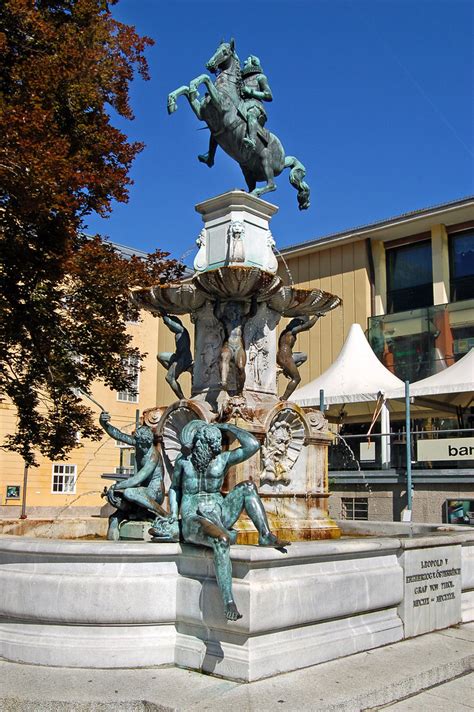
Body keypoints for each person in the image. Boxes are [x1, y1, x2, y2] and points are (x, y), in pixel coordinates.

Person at [151, 420, 289, 621]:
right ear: (199, 442)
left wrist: (228, 428)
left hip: (219, 511)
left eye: (214, 444)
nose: (212, 449)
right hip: (194, 517)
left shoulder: (222, 460)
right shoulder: (184, 462)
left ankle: (265, 535)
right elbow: (175, 488)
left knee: (248, 487)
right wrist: (173, 514)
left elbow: (253, 445)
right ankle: (228, 600)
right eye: (208, 444)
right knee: (222, 540)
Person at [99, 412, 170, 541]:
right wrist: (104, 423)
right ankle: (118, 529)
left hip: (154, 493)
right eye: (139, 444)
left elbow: (138, 479)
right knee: (116, 501)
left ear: (149, 442)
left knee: (129, 493)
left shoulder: (153, 456)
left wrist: (116, 486)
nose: (141, 447)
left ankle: (164, 515)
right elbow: (118, 435)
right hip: (140, 490)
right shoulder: (139, 443)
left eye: (144, 445)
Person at [214, 296, 258, 394]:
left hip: (239, 348)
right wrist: (217, 299)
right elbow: (217, 315)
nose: (233, 311)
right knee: (224, 356)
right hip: (228, 346)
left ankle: (240, 390)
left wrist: (254, 299)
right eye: (231, 309)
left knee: (241, 368)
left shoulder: (241, 321)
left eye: (235, 309)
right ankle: (224, 382)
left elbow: (252, 313)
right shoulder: (226, 320)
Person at [277, 315, 319, 401]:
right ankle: (284, 398)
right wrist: (317, 316)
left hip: (283, 356)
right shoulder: (293, 331)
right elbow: (308, 325)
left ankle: (287, 370)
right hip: (285, 358)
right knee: (296, 378)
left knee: (303, 356)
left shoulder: (284, 332)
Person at [157, 312, 193, 401]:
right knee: (160, 356)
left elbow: (169, 322)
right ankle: (174, 372)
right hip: (178, 356)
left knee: (169, 378)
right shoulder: (179, 332)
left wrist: (162, 312)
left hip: (183, 358)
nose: (168, 327)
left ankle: (182, 398)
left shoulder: (181, 330)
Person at [240, 55, 273, 151]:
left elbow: (268, 95)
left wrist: (251, 92)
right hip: (242, 105)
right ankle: (210, 155)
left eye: (247, 60)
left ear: (253, 63)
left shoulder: (260, 77)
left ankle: (252, 140)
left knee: (251, 115)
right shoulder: (241, 80)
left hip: (255, 106)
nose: (245, 62)